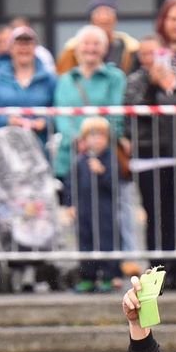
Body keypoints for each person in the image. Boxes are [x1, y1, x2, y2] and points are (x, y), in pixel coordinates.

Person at [124, 34, 176, 290]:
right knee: (156, 216)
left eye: (154, 53)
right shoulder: (137, 81)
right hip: (149, 157)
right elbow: (135, 110)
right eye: (143, 54)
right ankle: (158, 271)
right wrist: (153, 86)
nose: (149, 59)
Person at [53, 25, 127, 212]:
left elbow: (115, 113)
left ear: (104, 48)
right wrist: (78, 139)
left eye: (96, 44)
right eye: (86, 43)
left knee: (107, 215)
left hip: (104, 155)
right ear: (77, 48)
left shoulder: (115, 77)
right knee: (77, 217)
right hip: (71, 155)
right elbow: (61, 116)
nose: (91, 49)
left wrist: (96, 140)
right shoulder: (65, 80)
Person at [0, 26, 56, 144]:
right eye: (19, 44)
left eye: (28, 43)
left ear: (35, 48)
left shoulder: (49, 79)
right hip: (3, 147)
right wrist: (6, 120)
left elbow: (60, 111)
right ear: (10, 48)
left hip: (39, 148)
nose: (24, 48)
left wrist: (45, 122)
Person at [71, 117, 120, 291]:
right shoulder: (80, 160)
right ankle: (87, 277)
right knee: (85, 241)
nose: (96, 140)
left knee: (106, 241)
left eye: (100, 136)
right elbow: (72, 184)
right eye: (91, 136)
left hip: (104, 209)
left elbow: (114, 184)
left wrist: (102, 172)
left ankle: (108, 275)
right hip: (85, 209)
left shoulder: (110, 159)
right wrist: (70, 205)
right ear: (84, 139)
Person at [57, 0, 139, 75]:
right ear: (91, 20)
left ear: (115, 20)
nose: (104, 18)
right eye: (98, 14)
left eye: (108, 14)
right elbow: (63, 75)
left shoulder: (129, 48)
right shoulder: (73, 48)